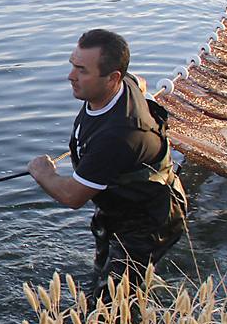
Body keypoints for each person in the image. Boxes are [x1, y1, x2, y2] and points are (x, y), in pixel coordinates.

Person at [27, 29, 187, 306]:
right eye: (72, 65)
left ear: (112, 78)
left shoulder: (118, 136)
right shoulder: (123, 83)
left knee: (110, 310)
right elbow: (139, 81)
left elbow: (72, 196)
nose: (71, 76)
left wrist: (43, 172)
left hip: (147, 223)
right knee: (105, 284)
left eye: (82, 70)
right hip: (117, 210)